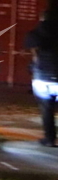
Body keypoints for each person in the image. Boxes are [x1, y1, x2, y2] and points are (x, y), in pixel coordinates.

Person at [27, 9, 58, 147]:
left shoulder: (35, 34)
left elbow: (34, 55)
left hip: (42, 78)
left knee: (46, 109)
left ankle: (49, 139)